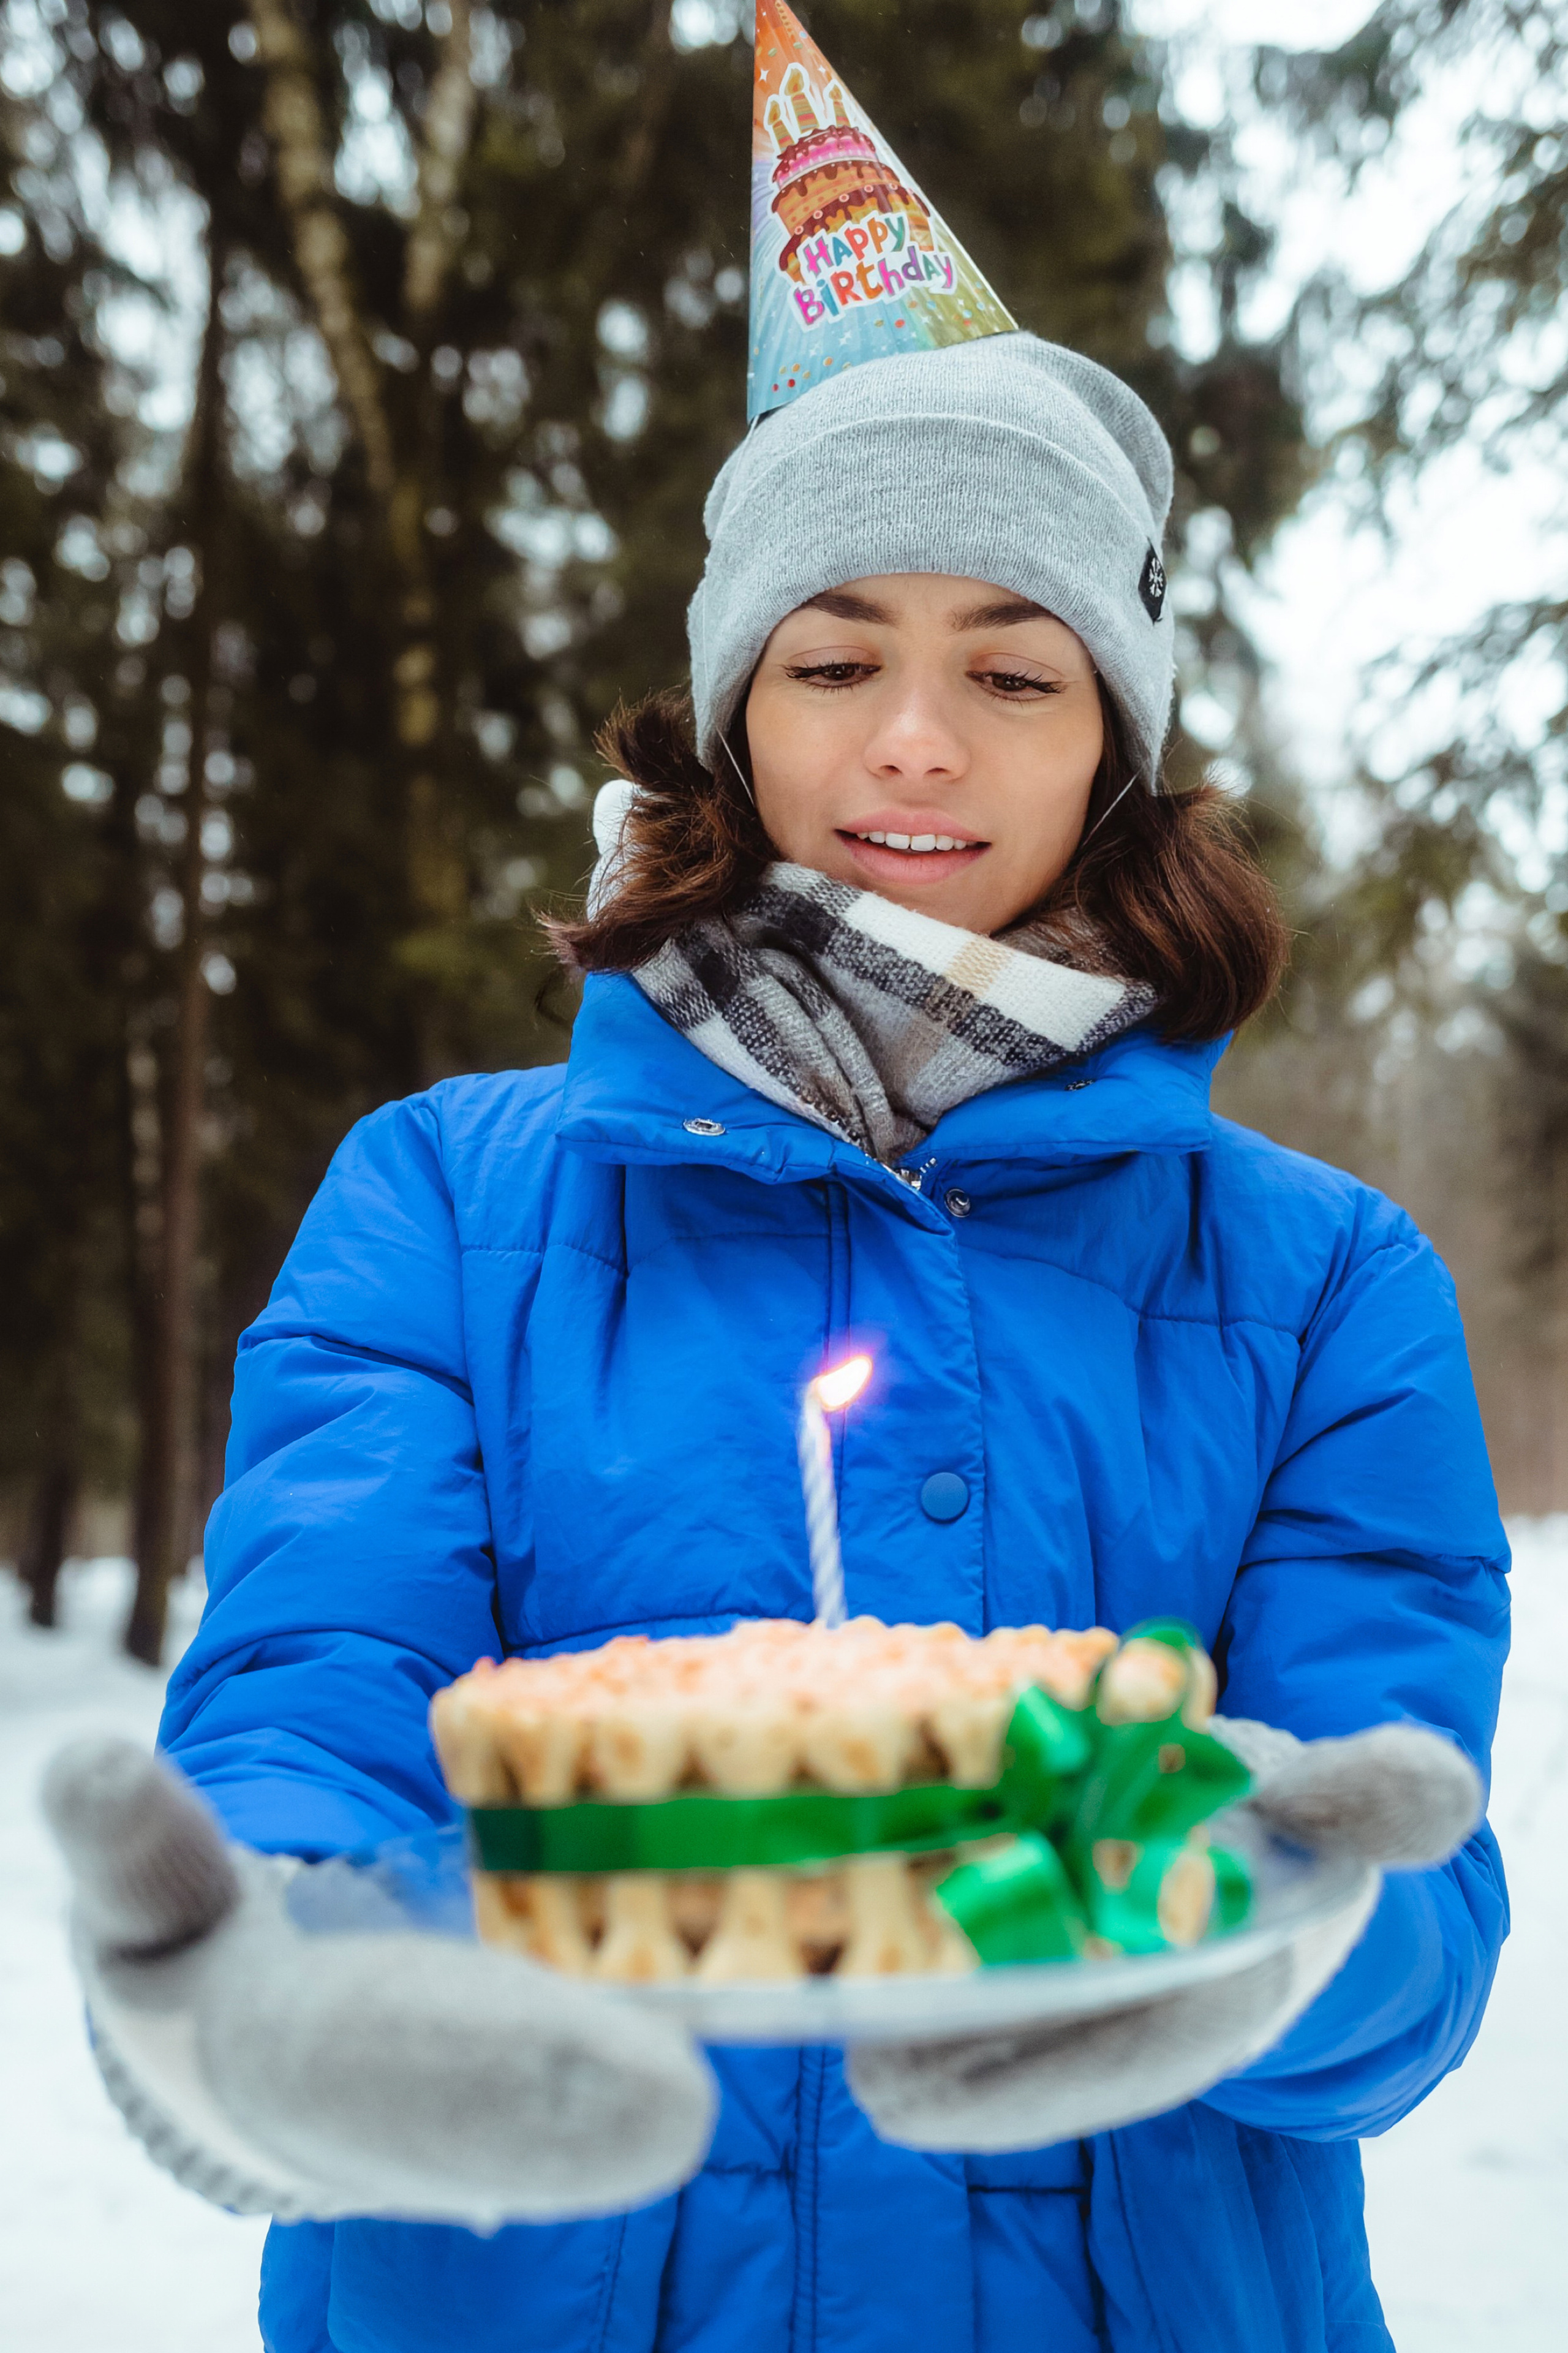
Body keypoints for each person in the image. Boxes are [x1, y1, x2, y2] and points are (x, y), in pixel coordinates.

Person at [45, 20, 1509, 2349]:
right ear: (735, 711)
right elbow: (324, 1684)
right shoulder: (441, 1204)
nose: (914, 738)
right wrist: (293, 1968)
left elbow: (1407, 1911)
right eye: (838, 656)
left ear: (1114, 740)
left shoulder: (1324, 1284)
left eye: (1013, 674)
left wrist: (1276, 1914)